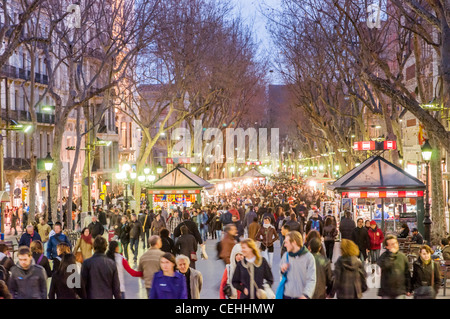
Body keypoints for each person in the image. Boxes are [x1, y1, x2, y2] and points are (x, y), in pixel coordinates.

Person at [279, 231, 316, 299]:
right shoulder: (286, 255)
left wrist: (306, 295)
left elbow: (312, 279)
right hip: (287, 295)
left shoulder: (309, 257)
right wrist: (282, 270)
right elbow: (281, 276)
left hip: (301, 296)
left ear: (294, 242)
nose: (284, 245)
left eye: (286, 242)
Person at [377, 234, 412, 299]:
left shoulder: (402, 257)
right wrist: (391, 255)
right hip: (387, 292)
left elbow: (407, 273)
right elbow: (384, 265)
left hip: (400, 291)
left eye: (395, 243)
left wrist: (408, 288)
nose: (395, 245)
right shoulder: (384, 256)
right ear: (387, 247)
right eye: (392, 244)